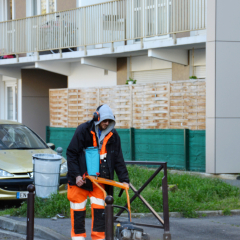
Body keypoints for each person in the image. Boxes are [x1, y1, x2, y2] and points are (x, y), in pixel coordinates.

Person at [67, 104, 129, 240]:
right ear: (96, 118)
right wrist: (77, 175)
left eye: (109, 121)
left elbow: (118, 159)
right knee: (78, 212)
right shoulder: (83, 130)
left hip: (99, 182)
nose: (106, 124)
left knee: (100, 213)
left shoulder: (113, 135)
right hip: (80, 180)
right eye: (104, 121)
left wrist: (124, 179)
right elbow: (71, 154)